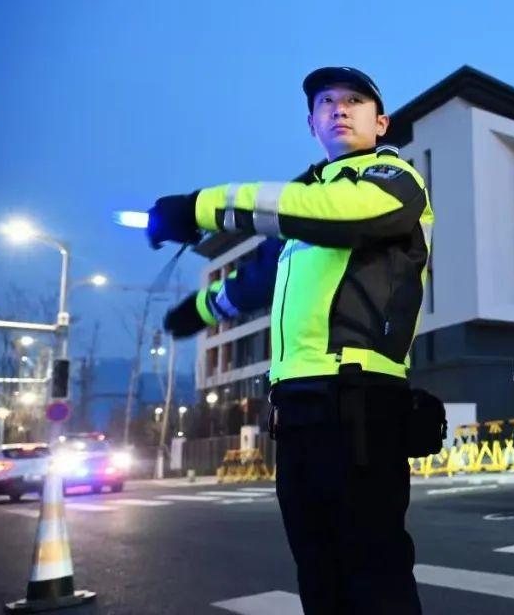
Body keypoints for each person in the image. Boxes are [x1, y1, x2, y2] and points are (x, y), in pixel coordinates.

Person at [146, 67, 434, 614]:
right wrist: (200, 309)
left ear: (381, 122)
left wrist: (199, 208)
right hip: (296, 408)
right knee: (318, 573)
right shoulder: (305, 204)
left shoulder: (393, 179)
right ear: (311, 124)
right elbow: (258, 278)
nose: (339, 109)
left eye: (355, 100)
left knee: (375, 576)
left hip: (361, 401)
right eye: (326, 102)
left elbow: (345, 215)